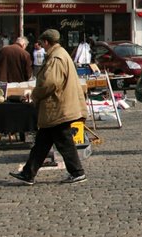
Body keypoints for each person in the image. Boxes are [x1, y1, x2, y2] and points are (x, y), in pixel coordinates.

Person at [9, 29, 88, 186]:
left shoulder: (56, 57)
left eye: (42, 42)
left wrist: (35, 95)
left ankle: (77, 172)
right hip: (57, 108)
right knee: (42, 143)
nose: (41, 45)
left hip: (58, 107)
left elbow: (49, 83)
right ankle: (28, 173)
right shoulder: (59, 54)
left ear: (46, 42)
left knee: (63, 141)